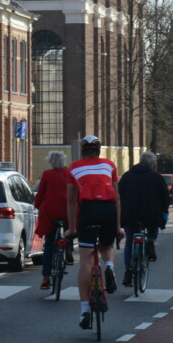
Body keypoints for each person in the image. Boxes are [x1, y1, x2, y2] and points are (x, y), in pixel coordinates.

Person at [67, 135, 120, 329]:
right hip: (108, 210)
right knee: (107, 245)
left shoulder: (73, 167)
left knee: (86, 259)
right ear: (99, 150)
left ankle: (84, 311)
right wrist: (118, 226)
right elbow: (117, 197)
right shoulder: (110, 165)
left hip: (88, 210)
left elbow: (71, 200)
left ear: (83, 150)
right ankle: (109, 267)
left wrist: (72, 228)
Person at [118, 151, 168, 287]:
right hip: (151, 214)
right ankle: (151, 241)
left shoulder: (127, 176)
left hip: (129, 214)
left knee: (129, 241)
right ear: (152, 163)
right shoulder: (156, 176)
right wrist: (164, 214)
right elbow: (165, 196)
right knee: (153, 227)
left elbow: (118, 194)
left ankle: (128, 271)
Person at [34, 151, 74, 291]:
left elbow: (40, 194)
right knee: (70, 228)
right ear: (63, 160)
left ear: (50, 161)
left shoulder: (46, 174)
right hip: (66, 209)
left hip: (50, 210)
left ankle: (46, 277)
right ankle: (68, 249)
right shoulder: (70, 173)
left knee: (49, 245)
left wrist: (37, 205)